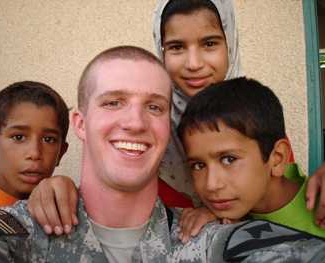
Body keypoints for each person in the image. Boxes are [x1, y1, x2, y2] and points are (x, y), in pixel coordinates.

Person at [0, 45, 325, 263]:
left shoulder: (207, 238)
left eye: (154, 107)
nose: (134, 122)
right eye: (113, 102)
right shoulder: (16, 232)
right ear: (80, 124)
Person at [26, 0, 325, 238]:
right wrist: (55, 188)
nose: (194, 64)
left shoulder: (259, 118)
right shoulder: (147, 139)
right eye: (177, 47)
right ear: (161, 49)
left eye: (210, 44)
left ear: (230, 43)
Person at [177, 76, 324, 237]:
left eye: (229, 159)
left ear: (278, 158)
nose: (212, 185)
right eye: (199, 165)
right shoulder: (217, 222)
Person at [0, 81, 69, 209]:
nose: (35, 153)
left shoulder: (62, 206)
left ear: (60, 154)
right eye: (18, 137)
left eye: (48, 139)